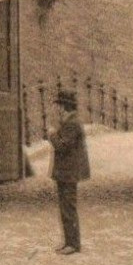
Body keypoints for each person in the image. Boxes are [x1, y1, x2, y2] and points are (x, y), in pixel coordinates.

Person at [49, 88, 90, 254]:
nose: (57, 108)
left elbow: (62, 146)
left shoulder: (72, 123)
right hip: (65, 172)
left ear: (64, 106)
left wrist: (52, 135)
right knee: (65, 207)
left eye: (59, 105)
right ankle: (68, 242)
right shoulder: (69, 121)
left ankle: (73, 244)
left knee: (68, 207)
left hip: (69, 173)